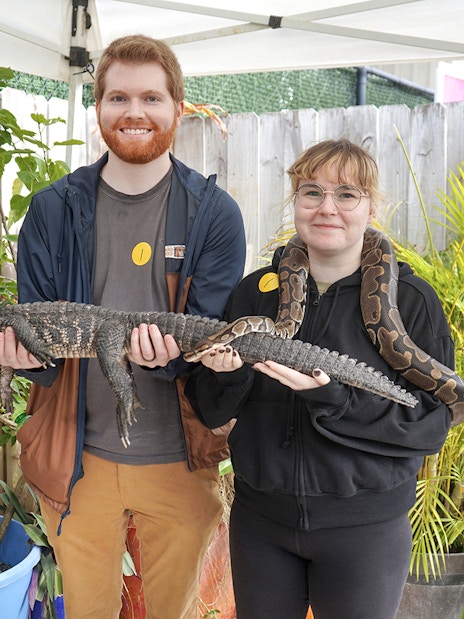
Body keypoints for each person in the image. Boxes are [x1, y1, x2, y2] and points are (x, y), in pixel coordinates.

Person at [0, 35, 246, 619]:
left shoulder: (214, 213)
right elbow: (44, 348)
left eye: (151, 98)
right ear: (99, 108)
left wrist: (174, 357)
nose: (134, 113)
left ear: (177, 109)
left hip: (180, 461)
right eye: (118, 98)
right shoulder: (53, 209)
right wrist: (17, 356)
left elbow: (207, 335)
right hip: (77, 463)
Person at [185, 139, 452, 619]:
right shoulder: (255, 293)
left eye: (347, 194)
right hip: (261, 522)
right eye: (312, 192)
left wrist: (334, 398)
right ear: (296, 202)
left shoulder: (412, 301)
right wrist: (227, 377)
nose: (327, 207)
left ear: (371, 206)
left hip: (364, 530)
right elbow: (209, 410)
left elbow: (429, 427)